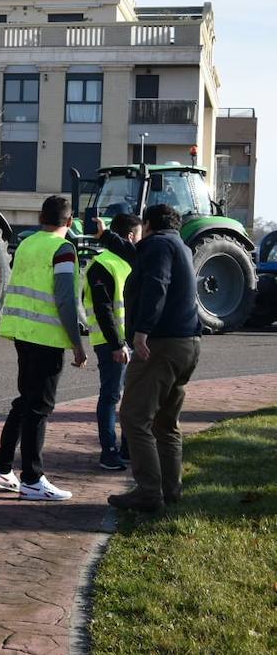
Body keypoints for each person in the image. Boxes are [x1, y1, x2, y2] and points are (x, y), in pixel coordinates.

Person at [0, 195, 89, 501]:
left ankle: (2, 467)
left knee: (25, 402)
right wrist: (77, 345)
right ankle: (32, 477)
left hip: (22, 332)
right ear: (69, 222)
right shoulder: (63, 249)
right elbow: (66, 299)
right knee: (39, 407)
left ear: (41, 218)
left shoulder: (28, 243)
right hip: (47, 337)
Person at [109, 203, 202, 513]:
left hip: (161, 346)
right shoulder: (179, 246)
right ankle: (170, 489)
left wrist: (141, 331)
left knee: (134, 418)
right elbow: (139, 256)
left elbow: (156, 284)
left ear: (147, 225)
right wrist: (107, 238)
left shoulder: (158, 246)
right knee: (165, 423)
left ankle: (149, 492)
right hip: (187, 344)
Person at [85, 214, 142, 470]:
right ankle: (108, 452)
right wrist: (118, 344)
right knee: (111, 395)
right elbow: (103, 309)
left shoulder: (129, 262)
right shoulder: (103, 264)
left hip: (128, 341)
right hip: (112, 343)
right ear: (130, 236)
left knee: (130, 397)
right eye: (139, 236)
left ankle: (127, 450)